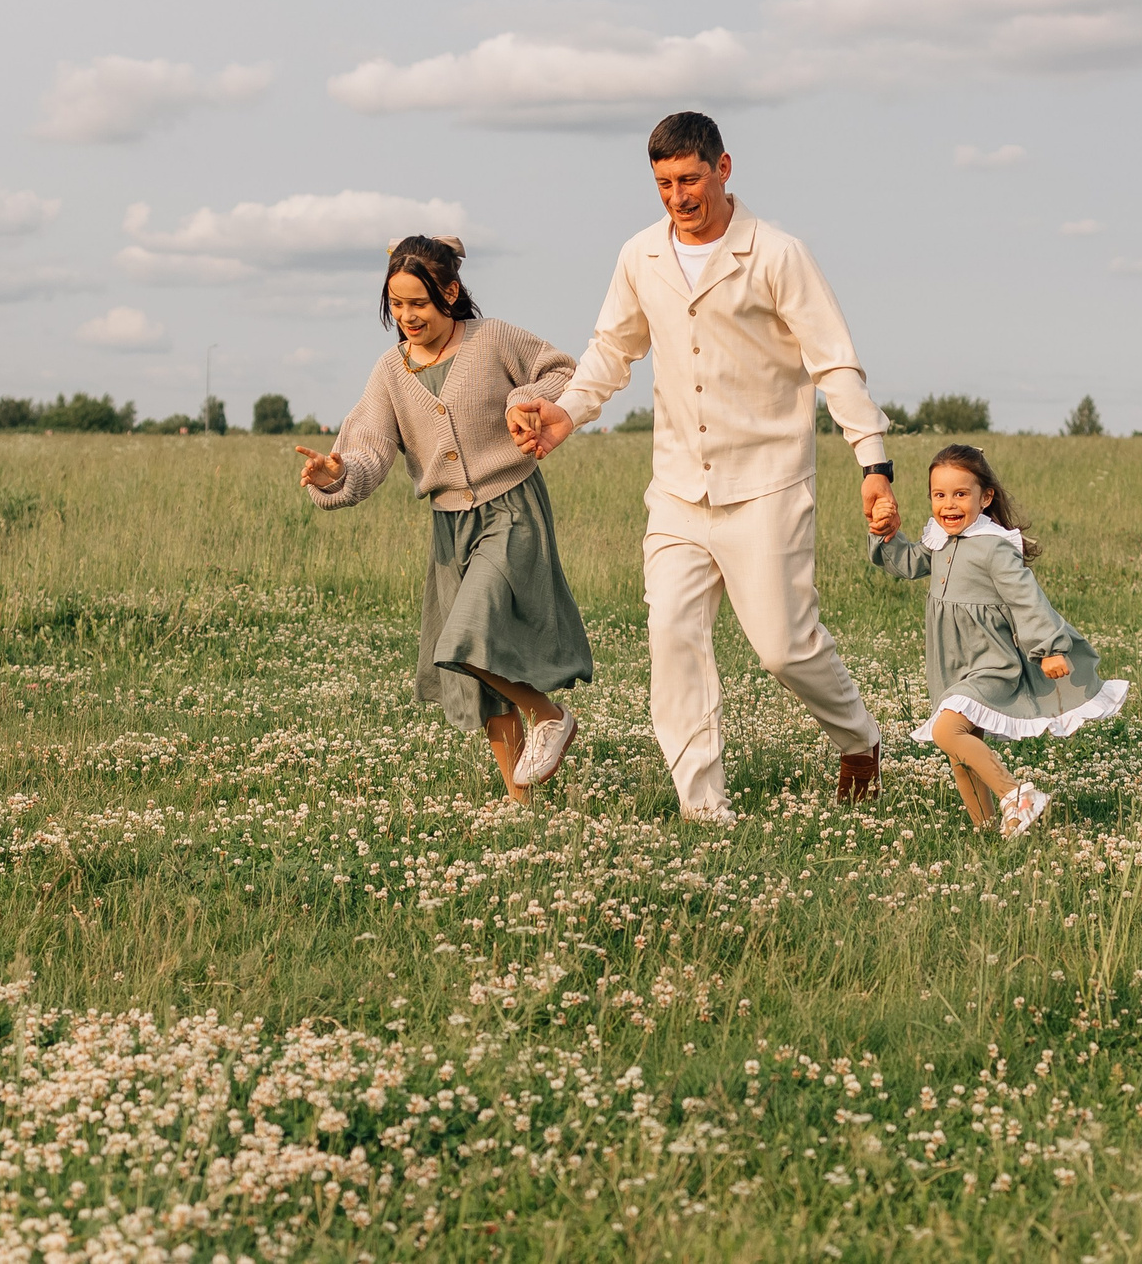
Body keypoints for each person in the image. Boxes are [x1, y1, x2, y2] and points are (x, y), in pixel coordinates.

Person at [509, 111, 896, 819]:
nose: (677, 196)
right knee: (672, 640)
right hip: (679, 492)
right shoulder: (640, 255)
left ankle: (859, 736)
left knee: (784, 648)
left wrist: (873, 462)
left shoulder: (778, 254)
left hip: (768, 486)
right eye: (663, 183)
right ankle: (704, 806)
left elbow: (833, 362)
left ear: (723, 168)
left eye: (689, 178)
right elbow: (611, 349)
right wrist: (568, 410)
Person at [299, 235, 593, 803]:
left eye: (419, 304)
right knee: (475, 678)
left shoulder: (492, 339)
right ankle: (520, 806)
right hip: (449, 527)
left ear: (450, 293)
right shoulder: (390, 372)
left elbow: (562, 371)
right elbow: (370, 449)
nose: (407, 316)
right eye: (397, 303)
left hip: (511, 508)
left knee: (465, 637)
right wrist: (335, 475)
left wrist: (523, 401)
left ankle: (551, 718)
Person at [866, 443, 1129, 836]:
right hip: (953, 664)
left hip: (992, 662)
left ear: (985, 497)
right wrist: (886, 532)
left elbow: (1026, 598)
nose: (949, 505)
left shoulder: (993, 545)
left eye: (960, 494)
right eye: (939, 495)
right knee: (960, 751)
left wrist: (1050, 649)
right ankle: (988, 831)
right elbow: (906, 562)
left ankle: (1016, 795)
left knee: (945, 731)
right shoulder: (939, 539)